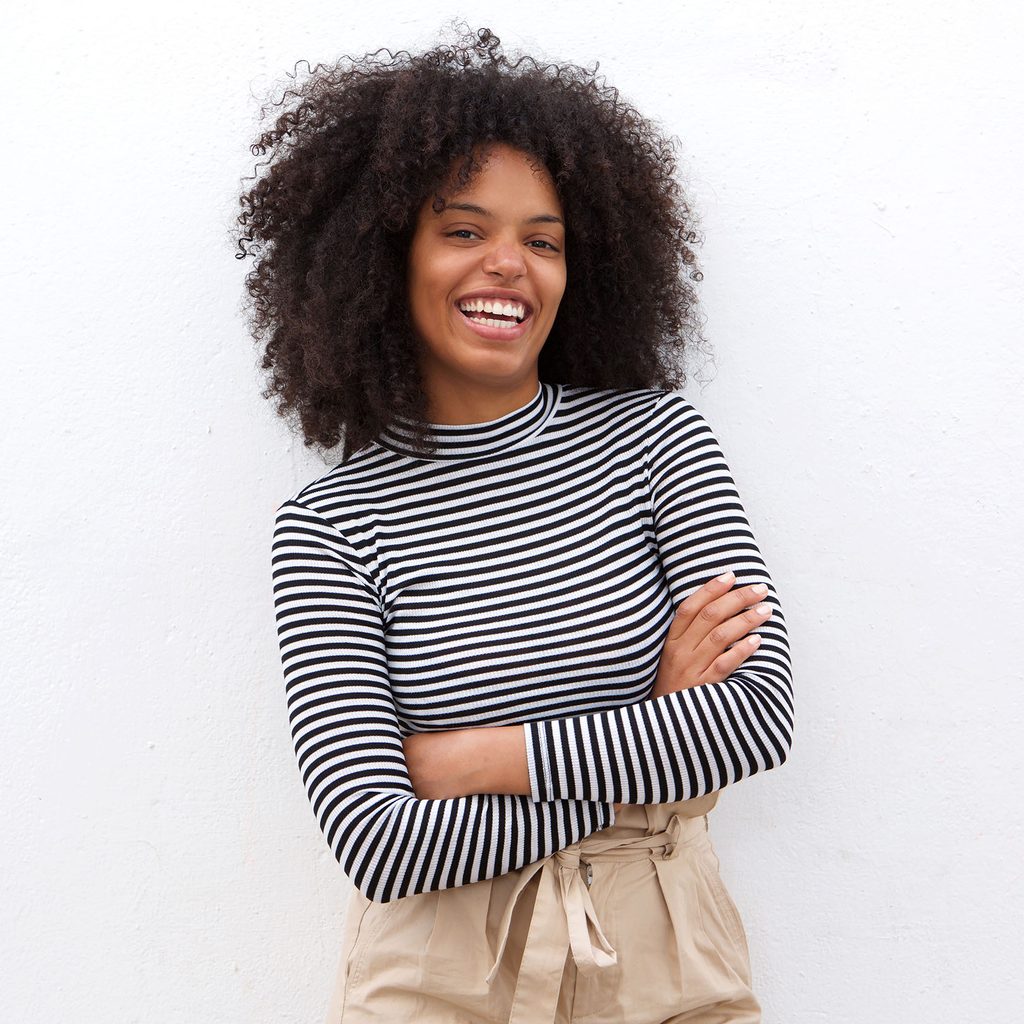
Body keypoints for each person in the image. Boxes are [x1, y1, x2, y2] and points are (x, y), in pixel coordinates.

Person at [236, 25, 794, 1024]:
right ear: (381, 253)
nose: (509, 264)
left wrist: (469, 757)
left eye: (542, 239)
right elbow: (381, 841)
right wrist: (653, 743)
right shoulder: (328, 529)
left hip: (662, 949)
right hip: (437, 972)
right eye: (462, 230)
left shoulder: (654, 442)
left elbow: (754, 715)